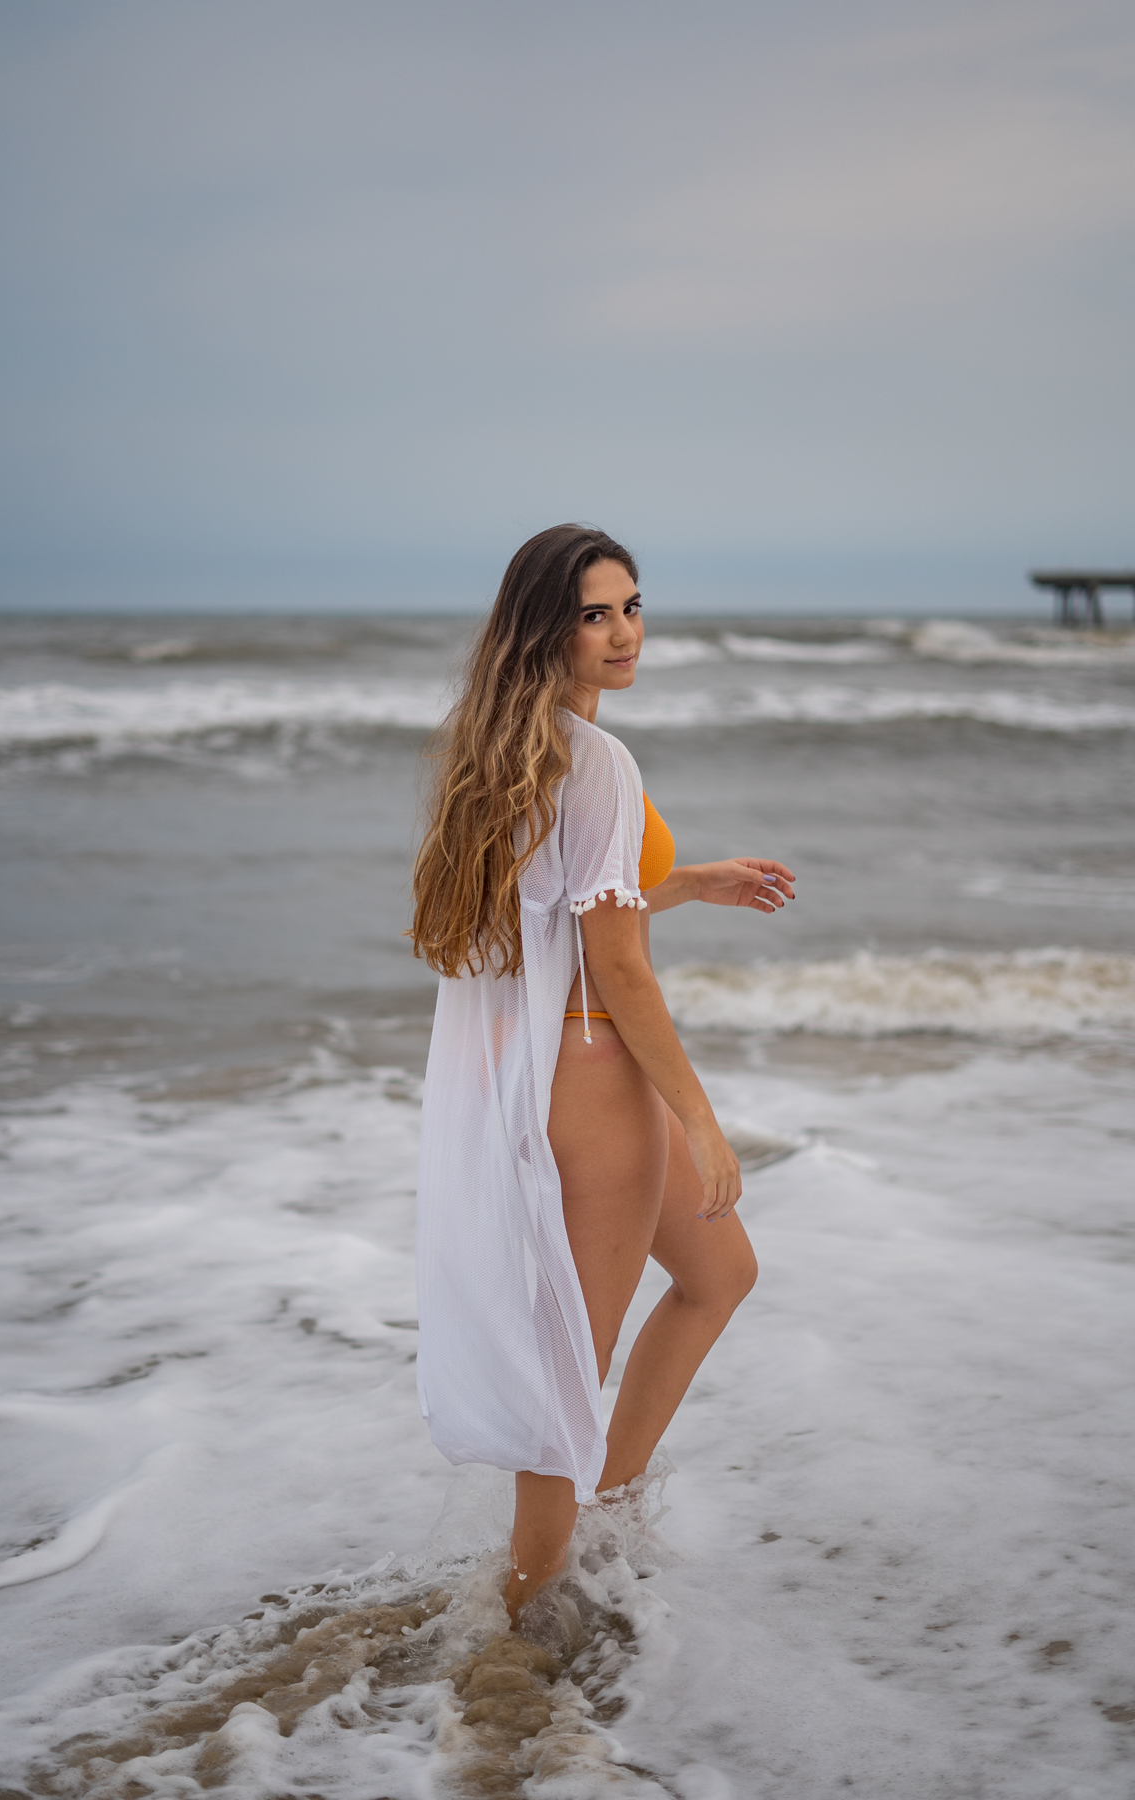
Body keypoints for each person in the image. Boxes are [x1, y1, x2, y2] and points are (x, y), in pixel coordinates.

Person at [409, 524, 795, 1628]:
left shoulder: (513, 748)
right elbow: (616, 965)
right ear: (548, 629)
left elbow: (557, 914)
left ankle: (605, 1519)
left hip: (558, 1063)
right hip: (598, 1072)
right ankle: (512, 1630)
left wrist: (688, 882)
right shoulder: (598, 761)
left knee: (720, 1274)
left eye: (631, 606)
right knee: (568, 1380)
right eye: (595, 615)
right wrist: (702, 1120)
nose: (624, 633)